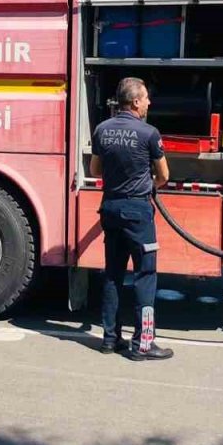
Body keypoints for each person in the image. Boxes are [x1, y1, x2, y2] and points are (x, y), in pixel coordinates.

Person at [90, 77, 172, 361]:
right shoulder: (149, 133)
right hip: (137, 213)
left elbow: (96, 170)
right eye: (146, 97)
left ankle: (110, 340)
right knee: (145, 277)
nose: (149, 102)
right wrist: (147, 185)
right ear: (135, 101)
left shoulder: (102, 129)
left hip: (110, 208)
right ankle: (143, 345)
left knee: (113, 274)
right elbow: (164, 176)